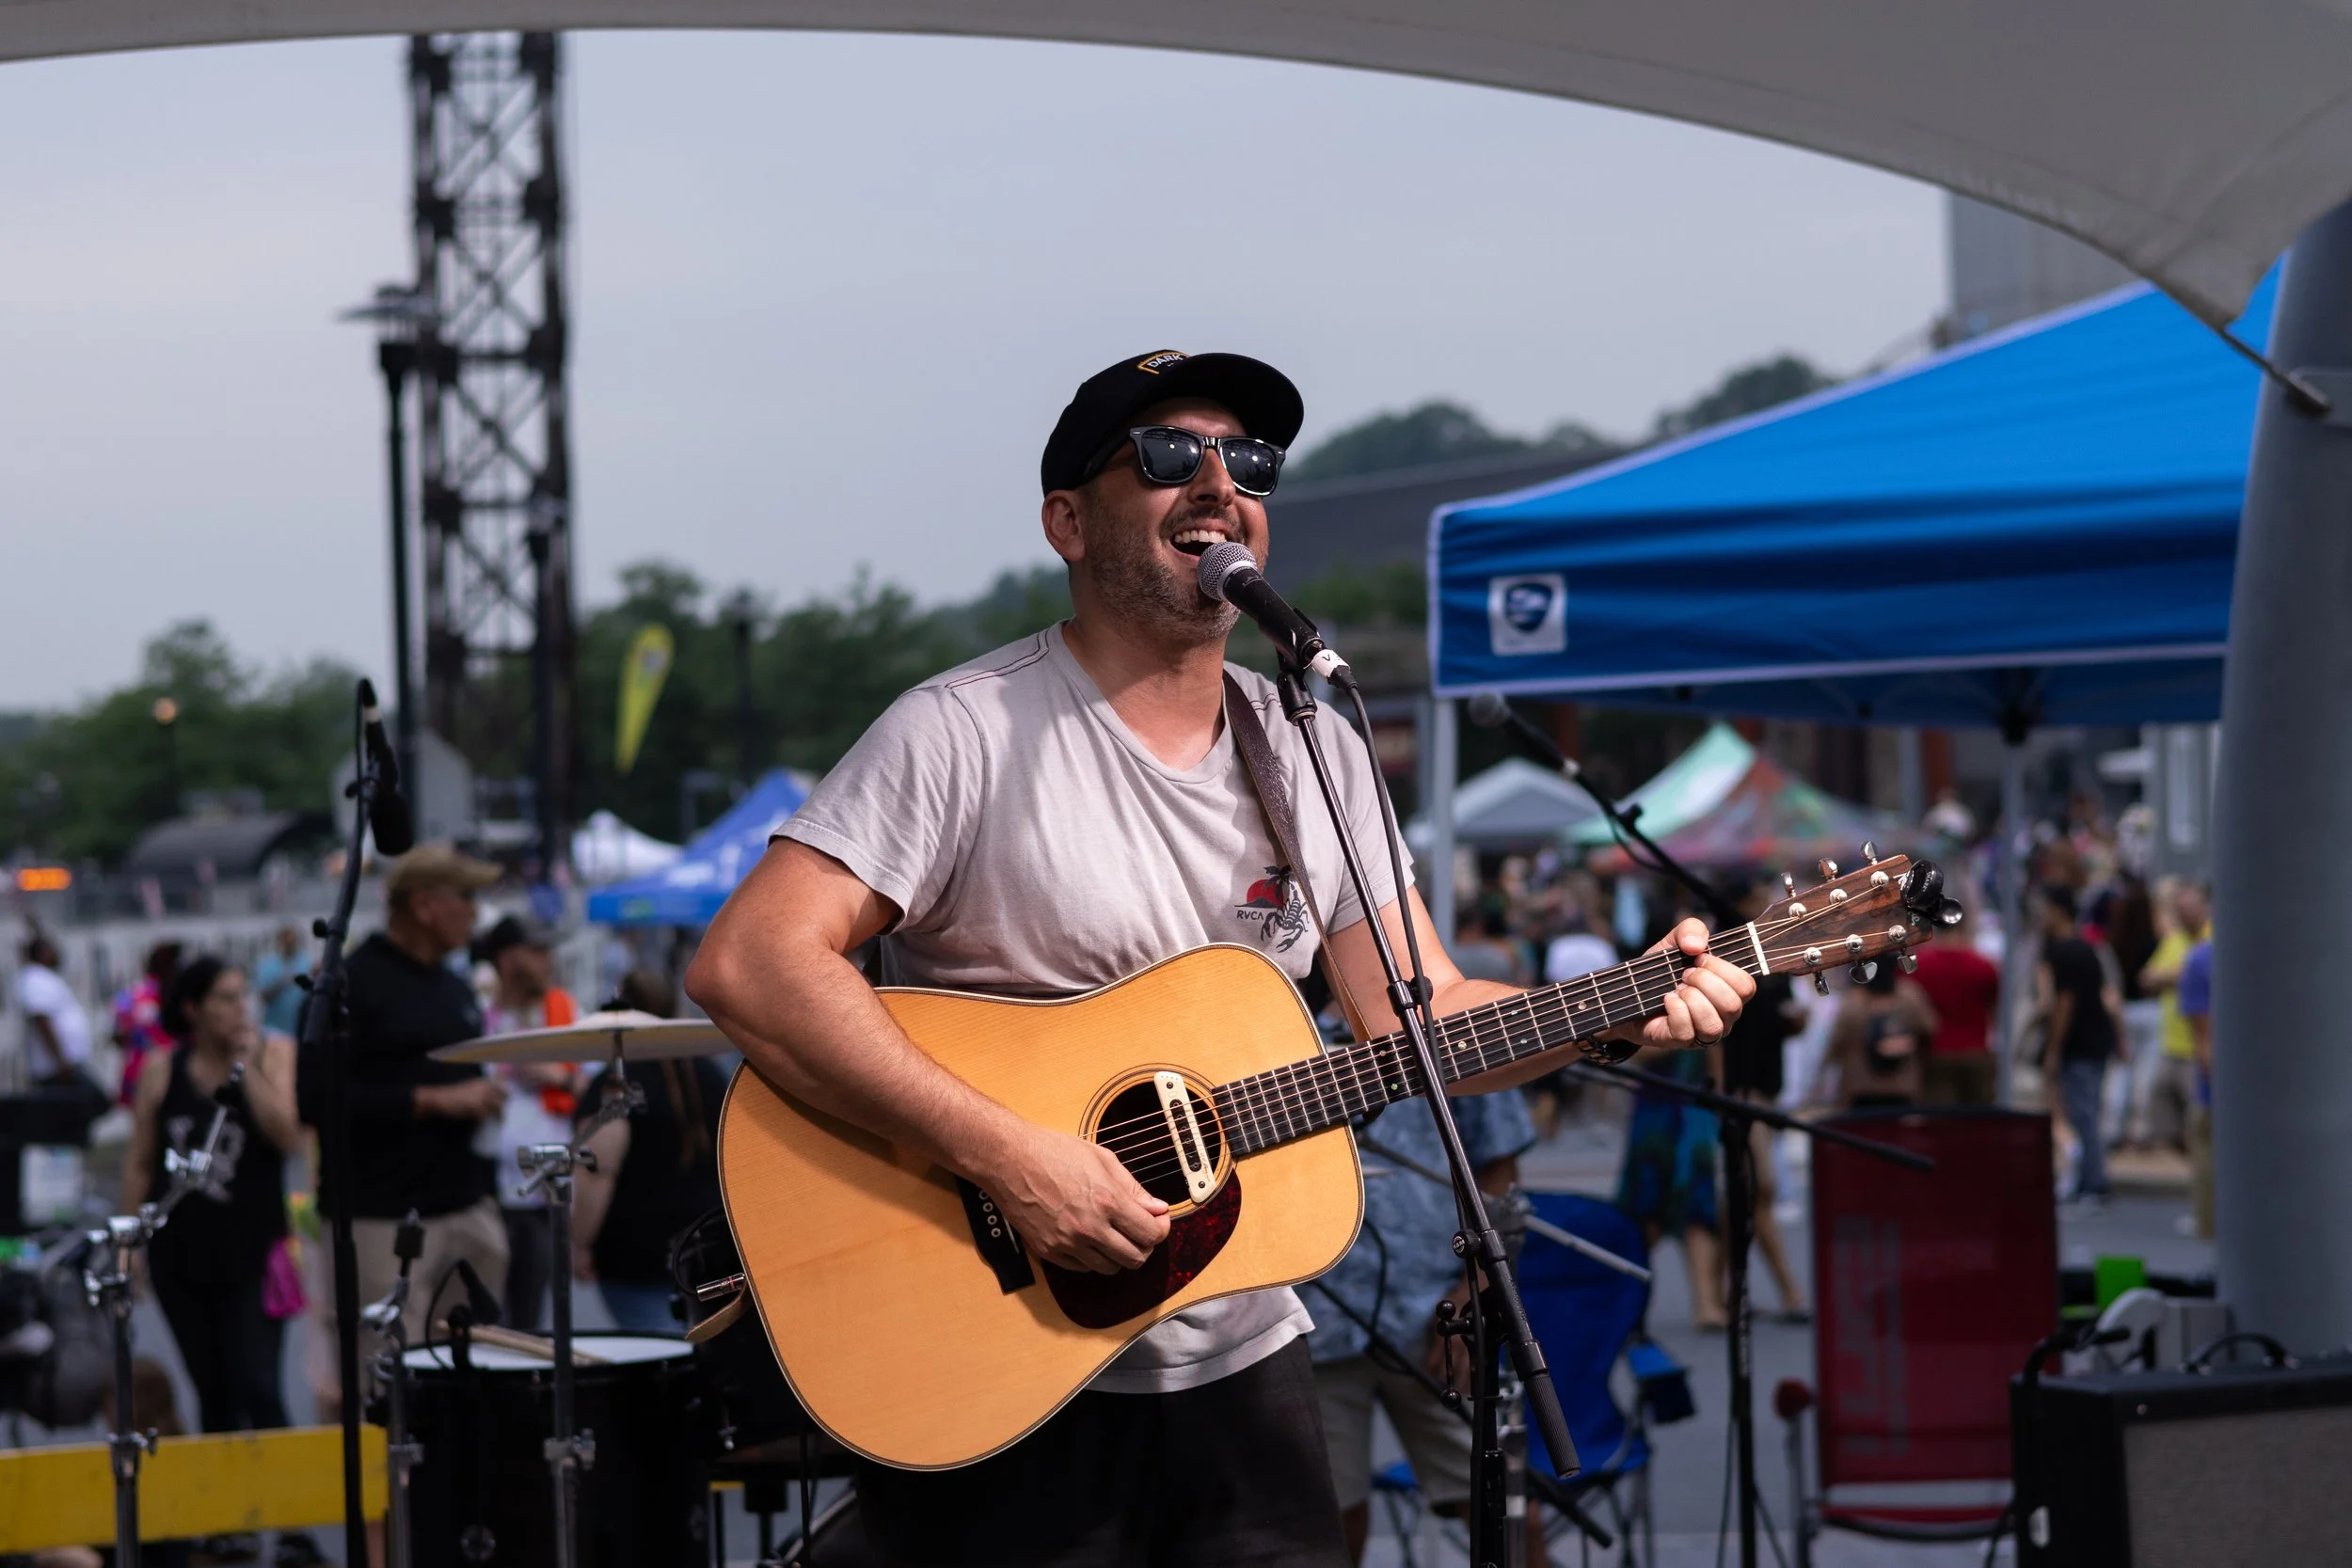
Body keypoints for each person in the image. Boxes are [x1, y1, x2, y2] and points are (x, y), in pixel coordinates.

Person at [684, 348, 1753, 1567]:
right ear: (1068, 522)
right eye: (1164, 455)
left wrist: (1611, 1011)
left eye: (1248, 461)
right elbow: (752, 963)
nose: (1216, 481)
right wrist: (1014, 1158)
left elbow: (1422, 1013)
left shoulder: (1312, 747)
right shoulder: (962, 730)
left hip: (1240, 1355)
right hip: (997, 1354)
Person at [295, 844, 509, 1383]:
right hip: (380, 1215)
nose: (475, 912)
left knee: (472, 1373)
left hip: (463, 1204)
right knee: (391, 1382)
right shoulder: (349, 984)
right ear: (424, 904)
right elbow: (315, 1099)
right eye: (466, 897)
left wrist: (483, 1096)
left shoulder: (455, 985)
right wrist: (435, 1100)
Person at [120, 956, 307, 1568]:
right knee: (214, 1388)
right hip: (181, 1255)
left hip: (254, 1253)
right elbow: (142, 1160)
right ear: (193, 1007)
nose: (239, 1008)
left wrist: (244, 1063)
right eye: (225, 998)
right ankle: (234, 1521)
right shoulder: (160, 1068)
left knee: (260, 1383)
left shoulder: (270, 1053)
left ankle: (294, 1526)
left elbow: (285, 1133)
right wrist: (129, 1241)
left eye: (242, 995)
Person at [1308, 1088, 1534, 1563]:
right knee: (1327, 1523)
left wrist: (1471, 1293)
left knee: (1507, 1515)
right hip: (1313, 1322)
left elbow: (1500, 1171)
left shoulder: (1444, 1016)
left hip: (1436, 1316)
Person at [570, 969, 725, 1333]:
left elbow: (597, 1170)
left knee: (657, 1362)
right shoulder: (710, 1074)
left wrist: (578, 1243)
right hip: (708, 1250)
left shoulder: (615, 1085)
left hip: (634, 1259)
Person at [474, 914, 580, 1331]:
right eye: (537, 952)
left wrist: (559, 1077)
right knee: (487, 1319)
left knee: (531, 1321)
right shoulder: (477, 1013)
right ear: (507, 959)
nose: (548, 960)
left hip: (543, 1195)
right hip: (486, 1190)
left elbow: (592, 1086)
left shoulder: (565, 1008)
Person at [1718, 879, 1806, 1321]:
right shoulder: (1722, 956)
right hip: (1742, 1091)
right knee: (1760, 1190)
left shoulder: (1772, 956)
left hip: (1767, 1090)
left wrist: (1798, 1023)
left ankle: (1733, 1288)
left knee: (1745, 1196)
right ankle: (1789, 1292)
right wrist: (1723, 1091)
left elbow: (1786, 1022)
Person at [1615, 1045, 1725, 1330]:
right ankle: (1627, 1303)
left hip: (1693, 1107)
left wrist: (1719, 1099)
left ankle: (1706, 1303)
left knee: (1697, 1206)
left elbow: (1716, 1052)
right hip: (1657, 1109)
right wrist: (1674, 1038)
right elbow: (1630, 1052)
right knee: (1646, 1213)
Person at [2036, 884, 2122, 1203]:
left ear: (2058, 912)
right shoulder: (2087, 948)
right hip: (2095, 1040)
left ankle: (2093, 1182)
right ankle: (2091, 1179)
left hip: (2079, 1044)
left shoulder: (2063, 952)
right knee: (2088, 1112)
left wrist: (2053, 1049)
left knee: (2083, 1114)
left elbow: (2063, 1003)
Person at [2136, 881, 2209, 1151]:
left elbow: (2189, 975)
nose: (2184, 915)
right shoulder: (2174, 940)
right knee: (2162, 1112)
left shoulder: (2211, 941)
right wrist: (2177, 975)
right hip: (2171, 1044)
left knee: (2198, 1118)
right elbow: (2147, 978)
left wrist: (2177, 975)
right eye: (2180, 910)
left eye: (2189, 909)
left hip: (2197, 1048)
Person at [1909, 903, 2002, 1105]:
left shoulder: (1920, 966)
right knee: (1977, 1122)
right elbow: (1995, 1008)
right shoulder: (1984, 966)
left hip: (1936, 1053)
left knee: (1941, 1122)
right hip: (1976, 1052)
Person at [1825, 965, 1937, 1110]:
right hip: (1900, 1085)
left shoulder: (1852, 1001)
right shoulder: (1909, 995)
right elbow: (1929, 1028)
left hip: (1861, 1085)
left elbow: (1837, 1044)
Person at [15, 931, 95, 1091]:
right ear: (43, 953)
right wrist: (60, 1061)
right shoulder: (34, 978)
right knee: (94, 1101)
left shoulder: (45, 977)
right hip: (55, 1070)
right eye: (52, 949)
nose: (57, 954)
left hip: (65, 1066)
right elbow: (42, 1020)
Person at [2175, 933, 2216, 1239]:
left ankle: (2210, 1224)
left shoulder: (2202, 959)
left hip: (2217, 1089)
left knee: (2206, 1148)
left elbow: (2203, 1038)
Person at [113, 941, 182, 1104]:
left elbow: (119, 1036)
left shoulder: (130, 995)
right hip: (172, 1072)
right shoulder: (179, 995)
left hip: (137, 1071)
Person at [252, 926, 310, 1041]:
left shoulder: (307, 963)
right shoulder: (267, 965)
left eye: (293, 940)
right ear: (280, 941)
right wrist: (282, 982)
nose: (291, 944)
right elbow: (263, 997)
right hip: (273, 1032)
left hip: (300, 1030)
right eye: (287, 940)